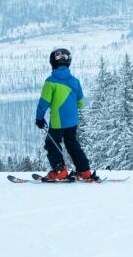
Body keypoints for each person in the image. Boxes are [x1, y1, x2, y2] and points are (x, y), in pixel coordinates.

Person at [35, 48, 95, 181]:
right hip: (73, 121)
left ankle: (60, 171)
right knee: (72, 144)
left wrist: (39, 118)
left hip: (58, 121)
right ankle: (85, 171)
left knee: (51, 144)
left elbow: (44, 103)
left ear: (52, 63)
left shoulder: (50, 82)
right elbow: (81, 104)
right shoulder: (75, 81)